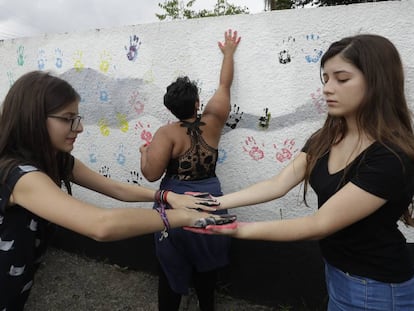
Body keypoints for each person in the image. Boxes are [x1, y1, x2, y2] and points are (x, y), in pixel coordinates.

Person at [188, 34, 414, 310]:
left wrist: (234, 229)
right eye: (326, 78)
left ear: (378, 82)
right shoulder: (327, 137)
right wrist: (213, 203)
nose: (328, 89)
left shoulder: (390, 156)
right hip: (337, 272)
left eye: (341, 79)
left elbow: (318, 224)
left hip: (377, 287)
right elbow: (278, 183)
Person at [0, 70, 223, 310]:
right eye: (69, 118)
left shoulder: (57, 160)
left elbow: (113, 187)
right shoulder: (21, 176)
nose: (80, 127)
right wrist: (187, 216)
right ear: (33, 118)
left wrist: (166, 196)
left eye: (78, 117)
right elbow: (101, 225)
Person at [139, 29, 241, 310]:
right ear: (197, 103)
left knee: (170, 270)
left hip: (175, 207)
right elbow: (224, 85)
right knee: (207, 270)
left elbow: (150, 174)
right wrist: (229, 53)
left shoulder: (166, 133)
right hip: (211, 201)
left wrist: (143, 153)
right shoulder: (214, 121)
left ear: (170, 107)